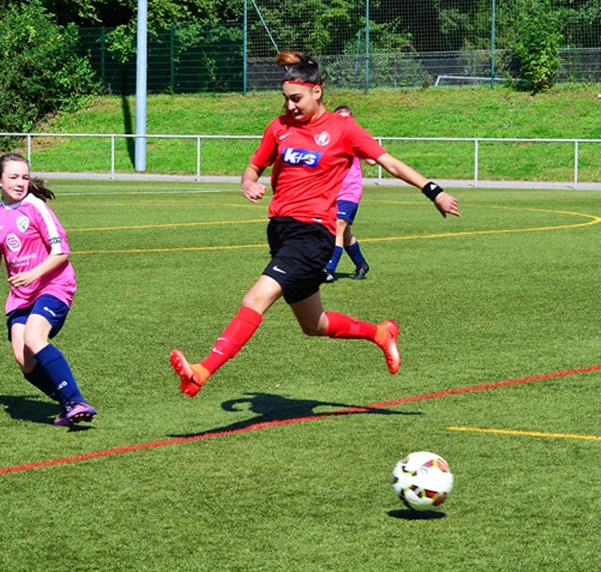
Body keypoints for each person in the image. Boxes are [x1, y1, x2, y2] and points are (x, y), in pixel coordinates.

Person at [170, 51, 459, 398]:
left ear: (317, 91)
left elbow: (390, 163)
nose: (289, 106)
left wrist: (434, 192)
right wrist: (248, 182)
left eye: (296, 99)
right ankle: (381, 333)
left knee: (255, 298)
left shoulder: (342, 129)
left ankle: (201, 371)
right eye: (286, 99)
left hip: (312, 234)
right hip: (281, 231)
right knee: (314, 323)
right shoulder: (279, 128)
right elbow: (254, 166)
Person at [0, 152, 96, 426]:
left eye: (24, 177)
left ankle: (76, 400)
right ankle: (67, 403)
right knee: (24, 359)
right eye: (13, 177)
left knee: (34, 338)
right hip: (22, 296)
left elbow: (61, 252)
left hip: (53, 285)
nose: (20, 182)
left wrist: (33, 274)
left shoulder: (36, 207)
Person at [323, 105, 371, 282]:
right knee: (344, 233)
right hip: (332, 190)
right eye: (339, 117)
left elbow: (372, 160)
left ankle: (329, 269)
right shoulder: (329, 139)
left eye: (346, 118)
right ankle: (361, 264)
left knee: (338, 226)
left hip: (350, 191)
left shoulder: (355, 138)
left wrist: (359, 145)